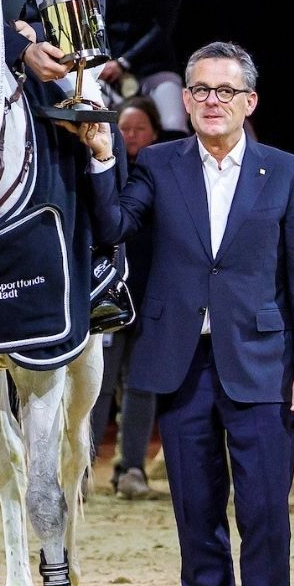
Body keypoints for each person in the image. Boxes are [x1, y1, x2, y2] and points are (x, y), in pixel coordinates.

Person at [78, 42, 294, 586]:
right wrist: (105, 157)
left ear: (250, 102)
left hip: (265, 368)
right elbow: (113, 224)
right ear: (184, 101)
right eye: (200, 90)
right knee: (196, 512)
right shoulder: (157, 165)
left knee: (266, 511)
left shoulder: (287, 172)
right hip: (180, 364)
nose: (211, 100)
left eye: (225, 91)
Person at [87, 95, 165, 499]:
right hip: (109, 296)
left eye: (141, 129)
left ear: (155, 133)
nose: (132, 136)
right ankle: (79, 468)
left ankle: (131, 469)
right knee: (95, 386)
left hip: (151, 301)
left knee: (141, 387)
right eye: (125, 129)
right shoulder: (103, 169)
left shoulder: (168, 174)